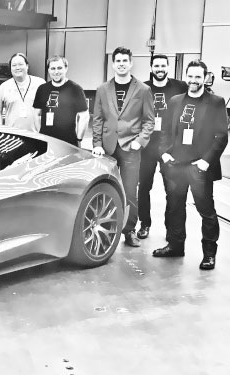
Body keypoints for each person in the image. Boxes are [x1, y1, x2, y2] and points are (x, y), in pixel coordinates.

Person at [153, 59, 228, 270]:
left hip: (199, 167)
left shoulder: (215, 102)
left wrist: (205, 162)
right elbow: (165, 131)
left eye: (198, 77)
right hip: (175, 165)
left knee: (206, 211)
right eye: (191, 76)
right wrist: (164, 154)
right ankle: (175, 246)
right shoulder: (176, 101)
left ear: (205, 78)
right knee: (174, 208)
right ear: (186, 76)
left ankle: (209, 254)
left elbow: (221, 136)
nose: (193, 80)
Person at [92, 46, 155, 247]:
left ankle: (129, 231)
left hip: (131, 148)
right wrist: (97, 144)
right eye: (117, 61)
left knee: (129, 192)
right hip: (107, 149)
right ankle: (104, 231)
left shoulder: (143, 89)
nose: (121, 64)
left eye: (124, 61)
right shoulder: (103, 89)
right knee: (104, 190)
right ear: (113, 64)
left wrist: (140, 141)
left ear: (131, 63)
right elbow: (97, 119)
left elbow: (149, 121)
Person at [136, 54, 188, 239]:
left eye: (163, 65)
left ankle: (170, 228)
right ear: (151, 68)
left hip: (170, 147)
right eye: (156, 66)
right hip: (147, 147)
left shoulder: (180, 87)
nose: (160, 69)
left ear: (168, 67)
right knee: (144, 188)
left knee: (172, 190)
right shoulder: (142, 88)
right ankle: (144, 224)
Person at [32, 55, 89, 146]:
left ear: (66, 68)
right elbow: (37, 114)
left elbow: (84, 116)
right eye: (53, 68)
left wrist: (79, 138)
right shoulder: (42, 89)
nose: (56, 72)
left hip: (68, 142)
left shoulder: (75, 89)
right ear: (48, 70)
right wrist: (41, 134)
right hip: (46, 142)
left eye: (59, 68)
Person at [0, 52, 45, 131]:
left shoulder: (40, 83)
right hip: (12, 135)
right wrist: (0, 130)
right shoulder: (4, 86)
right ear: (10, 68)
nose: (17, 68)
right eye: (14, 65)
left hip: (36, 135)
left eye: (20, 64)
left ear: (27, 66)